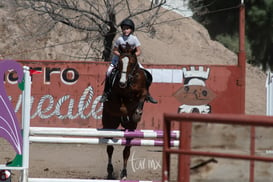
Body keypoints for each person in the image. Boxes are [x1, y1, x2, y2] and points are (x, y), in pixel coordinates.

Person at [99, 18, 158, 104]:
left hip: (131, 60)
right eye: (124, 29)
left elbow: (139, 51)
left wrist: (131, 56)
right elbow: (114, 50)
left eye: (127, 28)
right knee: (108, 73)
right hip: (119, 60)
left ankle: (147, 94)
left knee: (146, 74)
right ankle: (105, 93)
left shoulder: (134, 39)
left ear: (131, 29)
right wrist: (122, 56)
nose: (125, 30)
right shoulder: (119, 39)